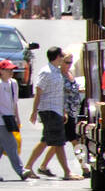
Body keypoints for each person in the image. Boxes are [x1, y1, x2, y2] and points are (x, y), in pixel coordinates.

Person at [26, 46, 79, 179]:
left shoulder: (56, 71)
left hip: (56, 110)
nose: (63, 59)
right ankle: (67, 172)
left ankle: (27, 167)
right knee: (58, 142)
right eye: (62, 56)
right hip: (48, 110)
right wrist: (34, 111)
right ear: (57, 57)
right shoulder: (46, 72)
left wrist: (63, 111)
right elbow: (38, 92)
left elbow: (59, 94)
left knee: (46, 141)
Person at [39, 49, 89, 178]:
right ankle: (84, 167)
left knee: (55, 142)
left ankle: (42, 166)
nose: (69, 65)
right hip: (63, 112)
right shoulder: (59, 75)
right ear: (61, 62)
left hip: (72, 112)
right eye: (66, 62)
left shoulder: (69, 74)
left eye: (71, 62)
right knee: (73, 140)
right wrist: (63, 111)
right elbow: (58, 94)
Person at [0, 60, 33, 180]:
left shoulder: (13, 83)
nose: (11, 72)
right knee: (11, 144)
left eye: (12, 70)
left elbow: (14, 102)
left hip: (9, 119)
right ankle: (21, 170)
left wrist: (17, 118)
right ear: (1, 71)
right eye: (8, 70)